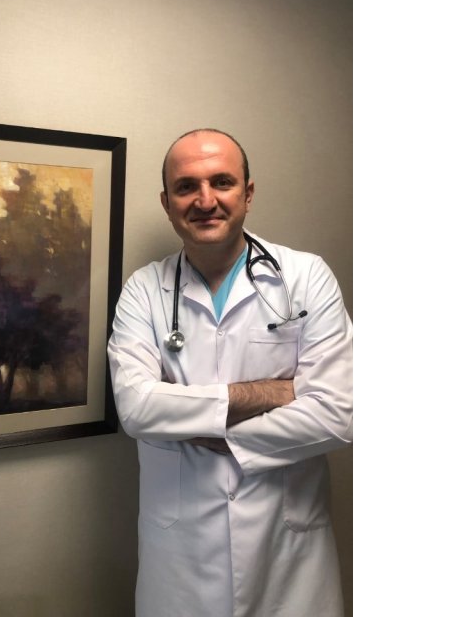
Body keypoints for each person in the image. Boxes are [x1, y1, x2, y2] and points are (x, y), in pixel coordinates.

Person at [106, 128, 353, 616]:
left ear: (248, 193)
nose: (205, 200)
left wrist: (210, 429)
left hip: (287, 546)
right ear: (167, 202)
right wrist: (277, 393)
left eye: (222, 182)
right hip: (181, 554)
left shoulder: (306, 277)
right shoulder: (144, 290)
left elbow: (338, 413)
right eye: (186, 187)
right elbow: (136, 408)